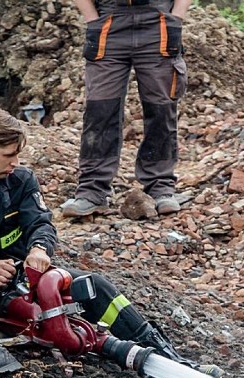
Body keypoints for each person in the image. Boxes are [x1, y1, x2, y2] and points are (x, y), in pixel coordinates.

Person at [0, 106, 213, 378]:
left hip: (18, 277)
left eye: (18, 155)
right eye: (8, 155)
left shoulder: (20, 180)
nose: (15, 163)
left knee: (94, 285)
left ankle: (166, 355)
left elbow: (41, 223)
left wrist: (39, 250)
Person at [61, 0, 190, 218]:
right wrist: (92, 18)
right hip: (109, 22)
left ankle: (160, 186)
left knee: (161, 108)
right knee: (100, 110)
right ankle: (92, 190)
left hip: (157, 21)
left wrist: (176, 16)